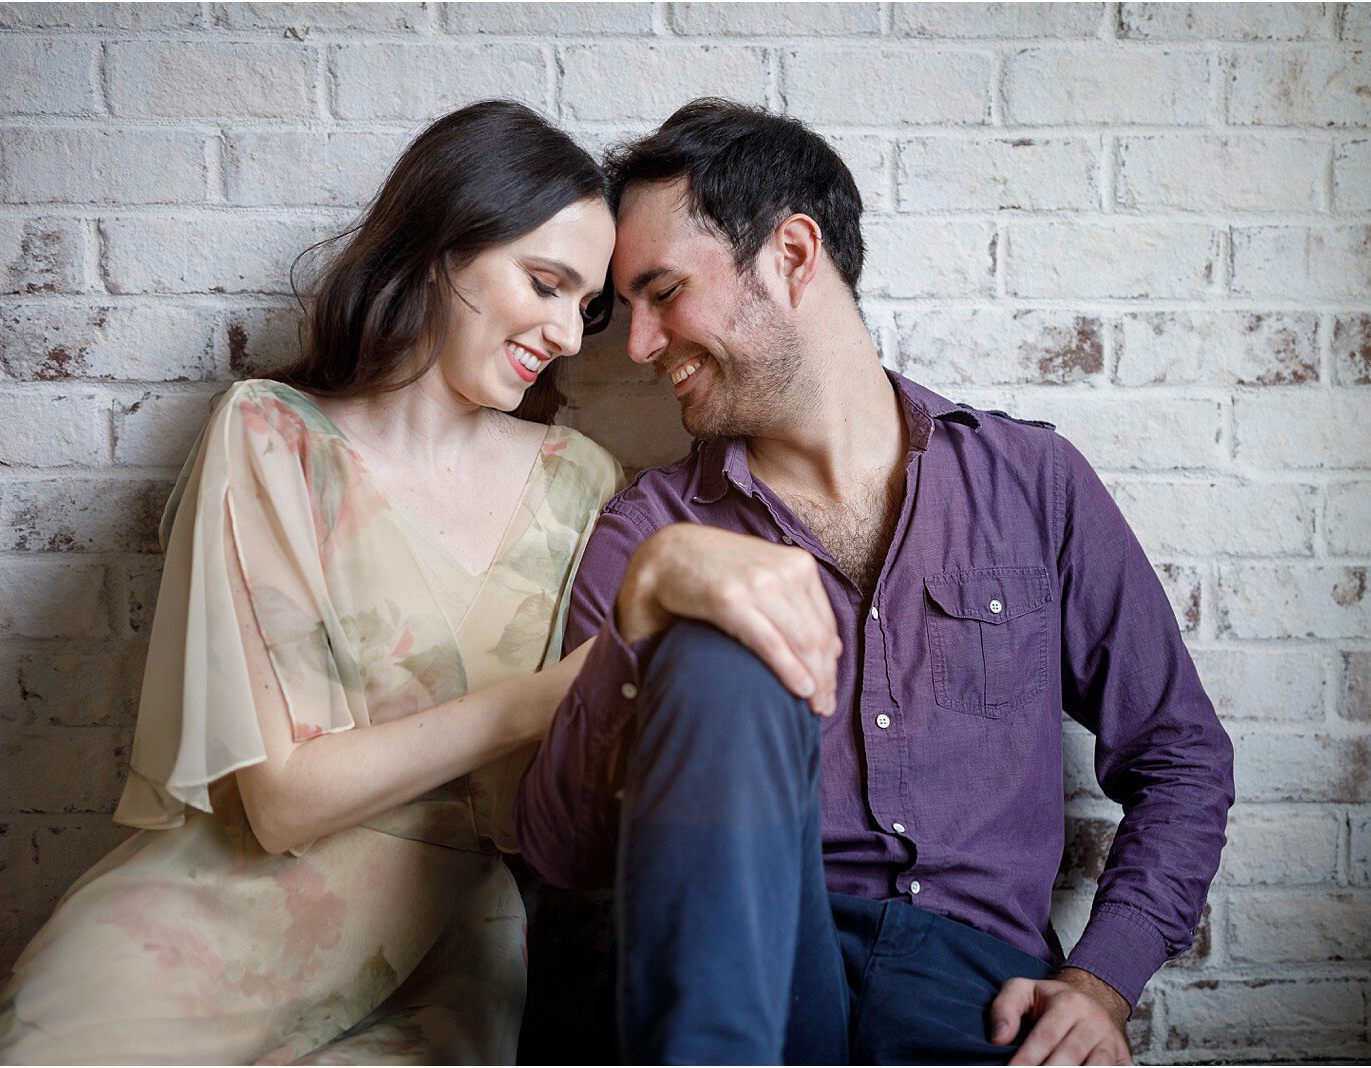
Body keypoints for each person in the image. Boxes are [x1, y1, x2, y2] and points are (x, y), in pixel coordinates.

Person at [516, 99, 1238, 1066]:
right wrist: (653, 604)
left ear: (792, 255)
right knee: (707, 648)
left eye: (662, 292)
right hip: (761, 979)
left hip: (984, 1000)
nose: (639, 346)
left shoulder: (1031, 484)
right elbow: (562, 854)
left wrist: (1101, 982)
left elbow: (1180, 756)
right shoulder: (651, 531)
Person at [0, 99, 659, 1065]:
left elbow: (553, 808)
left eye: (587, 306)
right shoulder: (269, 437)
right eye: (546, 284)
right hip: (204, 933)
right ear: (443, 249)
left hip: (444, 948)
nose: (568, 332)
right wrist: (538, 703)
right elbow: (280, 803)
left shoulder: (579, 481)